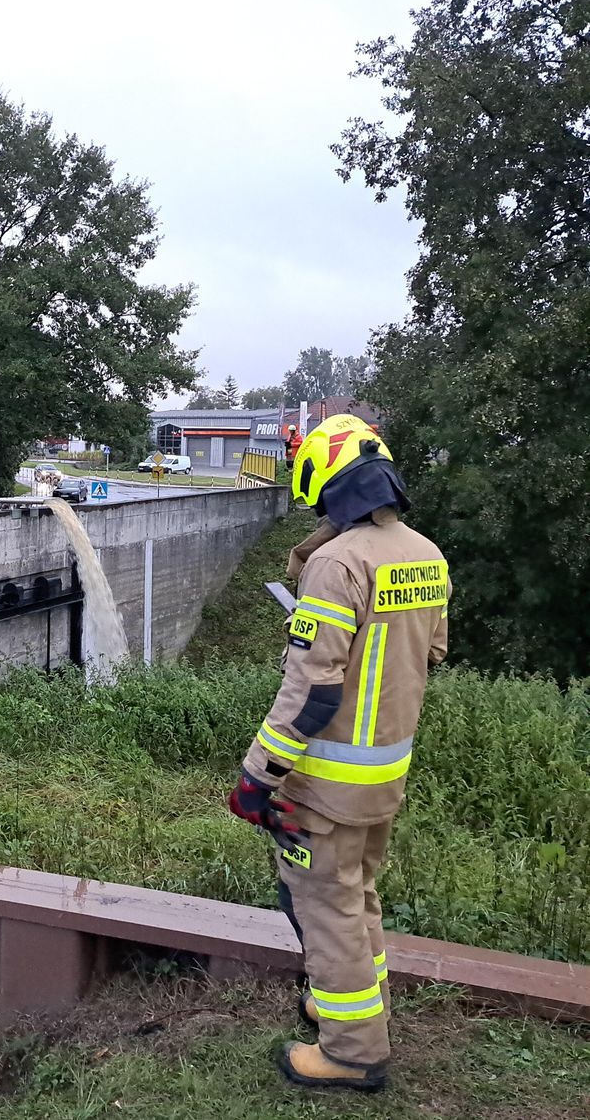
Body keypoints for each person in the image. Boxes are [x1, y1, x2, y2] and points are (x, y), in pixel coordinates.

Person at [227, 414, 449, 1093]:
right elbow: (431, 652)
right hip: (384, 770)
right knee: (358, 896)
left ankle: (352, 1052)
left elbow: (313, 690)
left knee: (324, 907)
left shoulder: (337, 563)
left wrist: (257, 775)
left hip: (324, 779)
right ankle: (347, 1002)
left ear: (326, 483)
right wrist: (337, 527)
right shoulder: (423, 554)